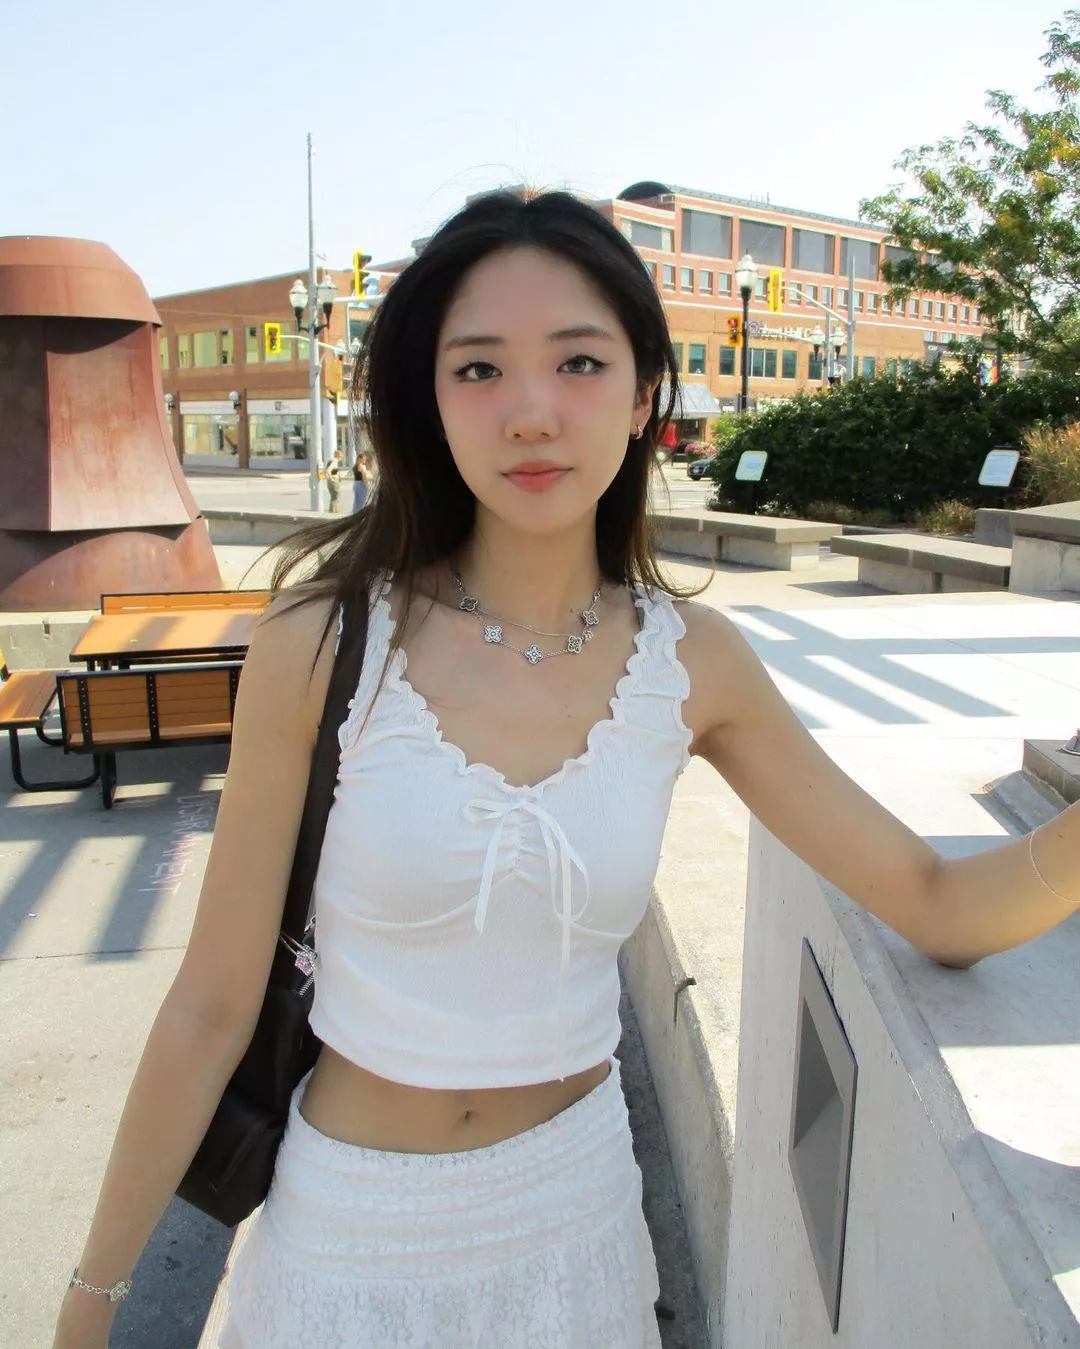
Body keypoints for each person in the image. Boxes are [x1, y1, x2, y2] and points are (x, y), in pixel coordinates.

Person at [52, 191, 1080, 1349]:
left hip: (575, 1237)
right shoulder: (322, 643)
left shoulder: (695, 665)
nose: (531, 413)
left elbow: (938, 901)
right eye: (479, 370)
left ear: (645, 395)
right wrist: (91, 1303)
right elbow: (210, 1004)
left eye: (580, 362)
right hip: (347, 1240)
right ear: (428, 400)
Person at [324, 447, 344, 512]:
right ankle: (333, 511)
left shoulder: (332, 460)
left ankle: (334, 510)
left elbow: (332, 471)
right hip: (334, 481)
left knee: (334, 497)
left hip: (330, 482)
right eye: (342, 455)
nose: (343, 456)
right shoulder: (335, 461)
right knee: (335, 496)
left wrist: (339, 474)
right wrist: (332, 478)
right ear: (339, 455)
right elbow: (328, 470)